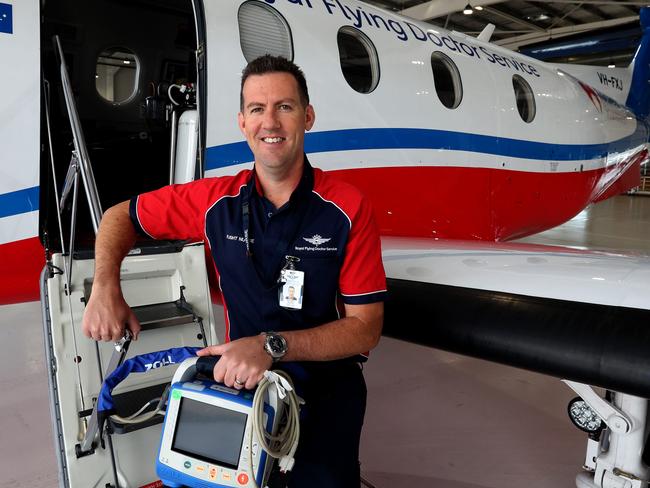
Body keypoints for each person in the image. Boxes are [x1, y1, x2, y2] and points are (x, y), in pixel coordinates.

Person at [82, 54, 387, 487]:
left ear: (308, 116)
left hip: (327, 396)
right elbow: (120, 216)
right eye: (258, 109)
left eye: (285, 106)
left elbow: (365, 329)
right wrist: (105, 286)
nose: (271, 122)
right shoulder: (215, 203)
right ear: (242, 122)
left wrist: (270, 345)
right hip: (243, 387)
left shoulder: (346, 208)